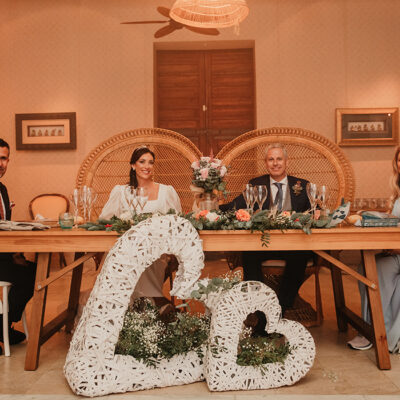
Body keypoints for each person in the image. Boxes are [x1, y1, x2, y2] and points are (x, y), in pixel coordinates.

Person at [220, 143, 312, 314]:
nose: (275, 163)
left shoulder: (302, 185)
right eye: (271, 159)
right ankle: (260, 311)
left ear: (286, 162)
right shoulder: (256, 184)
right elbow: (235, 206)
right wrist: (210, 208)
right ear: (266, 163)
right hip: (263, 244)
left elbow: (314, 209)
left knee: (301, 255)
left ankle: (280, 309)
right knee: (249, 254)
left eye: (279, 159)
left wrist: (318, 212)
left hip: (292, 245)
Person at [99, 146, 182, 305]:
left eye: (151, 162)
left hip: (157, 249)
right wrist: (123, 225)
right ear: (133, 165)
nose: (147, 166)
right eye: (142, 161)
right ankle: (141, 305)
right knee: (123, 258)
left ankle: (147, 303)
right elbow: (105, 220)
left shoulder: (166, 191)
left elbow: (177, 223)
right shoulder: (121, 192)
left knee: (144, 257)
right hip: (125, 248)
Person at [348, 146, 400, 352]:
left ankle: (377, 333)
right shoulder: (398, 190)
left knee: (375, 270)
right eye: (399, 160)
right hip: (395, 250)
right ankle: (370, 328)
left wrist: (395, 250)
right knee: (365, 268)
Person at [0, 138, 37, 353]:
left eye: (4, 158)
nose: (0, 163)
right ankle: (3, 326)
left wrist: (15, 253)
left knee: (34, 271)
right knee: (29, 275)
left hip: (3, 254)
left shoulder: (2, 189)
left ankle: (4, 324)